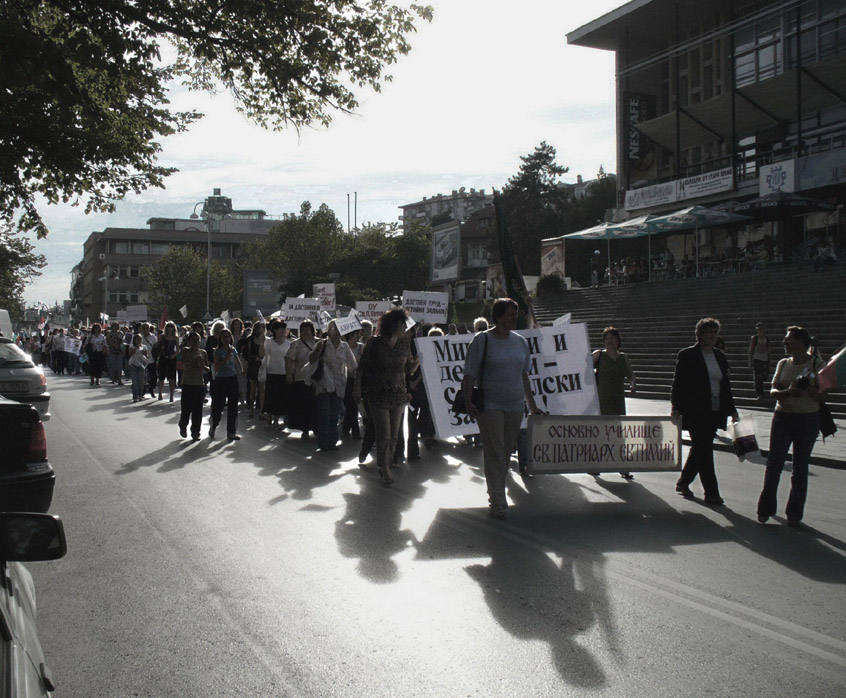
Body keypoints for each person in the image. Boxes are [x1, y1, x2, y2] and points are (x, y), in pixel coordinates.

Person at [461, 298, 543, 519]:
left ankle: (497, 491)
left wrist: (532, 405)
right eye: (509, 314)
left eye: (515, 315)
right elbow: (469, 373)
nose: (514, 318)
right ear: (497, 317)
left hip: (515, 405)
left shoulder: (520, 342)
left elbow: (524, 376)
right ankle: (497, 500)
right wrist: (468, 401)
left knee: (505, 453)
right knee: (495, 451)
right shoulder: (482, 340)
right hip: (490, 405)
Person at [756, 327, 822, 527]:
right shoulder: (783, 363)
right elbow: (773, 390)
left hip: (807, 419)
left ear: (801, 342)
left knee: (800, 467)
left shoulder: (817, 364)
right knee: (774, 464)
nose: (784, 342)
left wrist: (809, 389)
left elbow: (822, 396)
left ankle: (794, 512)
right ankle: (765, 508)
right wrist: (788, 392)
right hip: (783, 417)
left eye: (788, 339)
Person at [670, 317, 739, 505]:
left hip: (715, 410)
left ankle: (683, 481)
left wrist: (732, 410)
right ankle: (712, 493)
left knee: (700, 448)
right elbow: (678, 383)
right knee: (705, 449)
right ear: (699, 334)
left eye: (715, 332)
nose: (712, 336)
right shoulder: (687, 355)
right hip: (695, 409)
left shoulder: (720, 356)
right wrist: (675, 406)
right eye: (709, 332)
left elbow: (725, 386)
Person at [354, 308, 415, 485]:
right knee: (384, 434)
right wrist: (357, 388)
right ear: (393, 324)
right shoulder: (375, 343)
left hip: (398, 394)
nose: (405, 327)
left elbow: (409, 369)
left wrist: (419, 360)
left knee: (394, 435)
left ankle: (386, 462)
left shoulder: (404, 344)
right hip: (377, 393)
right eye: (402, 324)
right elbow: (361, 367)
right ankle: (385, 467)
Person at [592, 326, 637, 480]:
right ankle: (595, 464)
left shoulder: (623, 357)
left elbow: (630, 374)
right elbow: (583, 367)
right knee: (601, 434)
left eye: (612, 338)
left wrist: (632, 384)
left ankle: (622, 467)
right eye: (607, 338)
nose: (609, 341)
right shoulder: (599, 355)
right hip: (602, 400)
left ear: (618, 341)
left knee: (618, 435)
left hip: (617, 401)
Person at [310, 320, 357, 452]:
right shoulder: (322, 344)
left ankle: (332, 440)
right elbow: (311, 359)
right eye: (334, 328)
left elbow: (352, 365)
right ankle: (323, 441)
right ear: (329, 331)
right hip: (324, 384)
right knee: (325, 412)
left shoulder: (344, 346)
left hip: (339, 384)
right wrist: (318, 350)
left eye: (338, 329)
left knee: (335, 414)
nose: (336, 331)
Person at [285, 320, 320, 440]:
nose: (305, 332)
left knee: (317, 405)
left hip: (318, 379)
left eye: (307, 329)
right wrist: (289, 374)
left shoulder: (319, 342)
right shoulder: (295, 344)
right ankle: (305, 429)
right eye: (303, 330)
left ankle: (317, 428)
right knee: (305, 405)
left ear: (312, 330)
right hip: (301, 379)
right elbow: (289, 359)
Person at [210, 328, 241, 441]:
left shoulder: (233, 349)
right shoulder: (218, 351)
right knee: (219, 405)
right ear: (220, 339)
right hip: (221, 379)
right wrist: (226, 358)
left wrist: (240, 370)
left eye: (228, 336)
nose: (226, 339)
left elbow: (237, 361)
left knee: (233, 406)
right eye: (224, 337)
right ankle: (214, 425)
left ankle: (231, 432)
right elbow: (216, 366)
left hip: (232, 378)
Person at [178, 331, 208, 441]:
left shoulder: (203, 352)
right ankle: (183, 424)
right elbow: (183, 360)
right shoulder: (186, 350)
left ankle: (195, 433)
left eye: (197, 340)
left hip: (199, 384)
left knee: (197, 410)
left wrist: (202, 365)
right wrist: (193, 358)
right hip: (187, 383)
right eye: (193, 340)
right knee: (186, 408)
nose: (196, 342)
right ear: (189, 342)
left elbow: (207, 369)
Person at [262, 319, 290, 427]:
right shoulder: (269, 342)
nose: (282, 331)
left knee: (280, 397)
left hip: (283, 372)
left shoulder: (288, 343)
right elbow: (264, 355)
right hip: (272, 372)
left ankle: (276, 419)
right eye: (279, 329)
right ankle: (269, 415)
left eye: (283, 329)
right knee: (271, 396)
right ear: (274, 330)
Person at [242, 322, 266, 417]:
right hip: (253, 366)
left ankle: (261, 411)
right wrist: (253, 358)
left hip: (262, 366)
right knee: (253, 389)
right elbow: (245, 354)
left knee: (262, 390)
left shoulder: (266, 340)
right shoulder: (250, 339)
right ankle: (251, 408)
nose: (263, 329)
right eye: (261, 327)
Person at [155, 321, 179, 401]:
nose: (170, 328)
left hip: (171, 358)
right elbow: (157, 346)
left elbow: (178, 350)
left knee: (171, 377)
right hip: (163, 357)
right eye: (168, 326)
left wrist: (174, 355)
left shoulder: (175, 337)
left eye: (171, 326)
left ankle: (171, 395)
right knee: (161, 376)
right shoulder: (162, 336)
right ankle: (160, 394)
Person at [748, 322, 770, 399]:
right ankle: (760, 394)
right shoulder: (754, 338)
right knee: (758, 377)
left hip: (765, 359)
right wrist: (749, 361)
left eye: (763, 329)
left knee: (764, 376)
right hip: (757, 359)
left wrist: (769, 360)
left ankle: (757, 384)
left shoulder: (767, 338)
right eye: (760, 329)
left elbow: (768, 350)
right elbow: (751, 350)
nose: (761, 331)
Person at [127, 334, 150, 401]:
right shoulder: (132, 346)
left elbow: (147, 355)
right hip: (133, 364)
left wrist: (144, 353)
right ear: (134, 340)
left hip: (141, 365)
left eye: (140, 339)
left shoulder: (144, 346)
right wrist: (136, 348)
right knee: (135, 381)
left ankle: (140, 395)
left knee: (141, 381)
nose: (138, 340)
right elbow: (130, 354)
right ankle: (135, 396)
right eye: (137, 339)